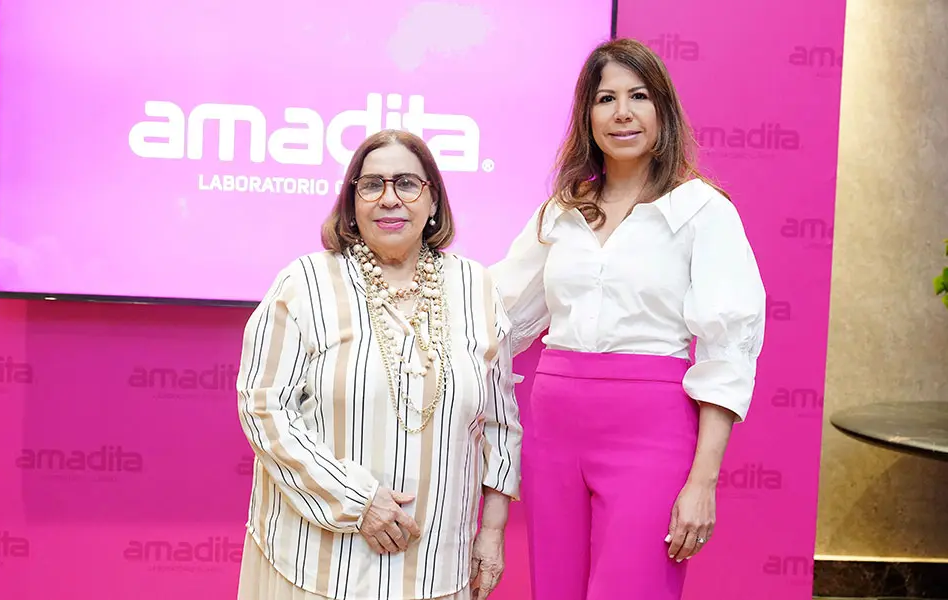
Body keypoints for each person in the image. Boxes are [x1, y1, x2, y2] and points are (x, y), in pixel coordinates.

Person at [490, 38, 767, 600]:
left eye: (638, 96)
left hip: (651, 428)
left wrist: (703, 481)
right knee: (555, 589)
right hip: (554, 427)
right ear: (586, 116)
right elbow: (495, 313)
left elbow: (728, 350)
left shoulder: (701, 210)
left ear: (662, 110)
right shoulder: (561, 211)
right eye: (604, 98)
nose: (621, 112)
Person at [235, 129, 522, 600]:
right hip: (319, 566)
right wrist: (356, 500)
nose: (390, 198)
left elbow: (500, 424)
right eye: (372, 185)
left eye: (407, 184)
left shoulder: (476, 288)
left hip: (436, 569)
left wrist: (491, 532)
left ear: (433, 203)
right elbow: (263, 408)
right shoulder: (305, 283)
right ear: (352, 203)